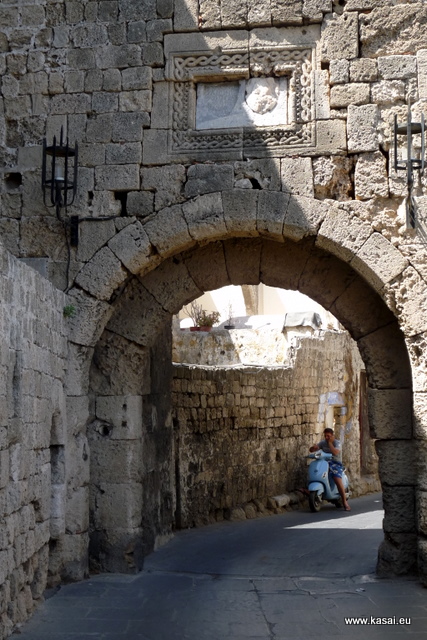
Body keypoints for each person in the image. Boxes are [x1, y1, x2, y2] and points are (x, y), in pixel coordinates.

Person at [309, 427, 351, 511]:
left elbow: (335, 452)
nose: (326, 438)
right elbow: (312, 450)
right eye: (325, 436)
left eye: (328, 436)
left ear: (332, 436)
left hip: (336, 463)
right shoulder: (323, 443)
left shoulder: (337, 443)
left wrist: (330, 443)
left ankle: (345, 502)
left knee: (336, 478)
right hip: (325, 463)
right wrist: (313, 448)